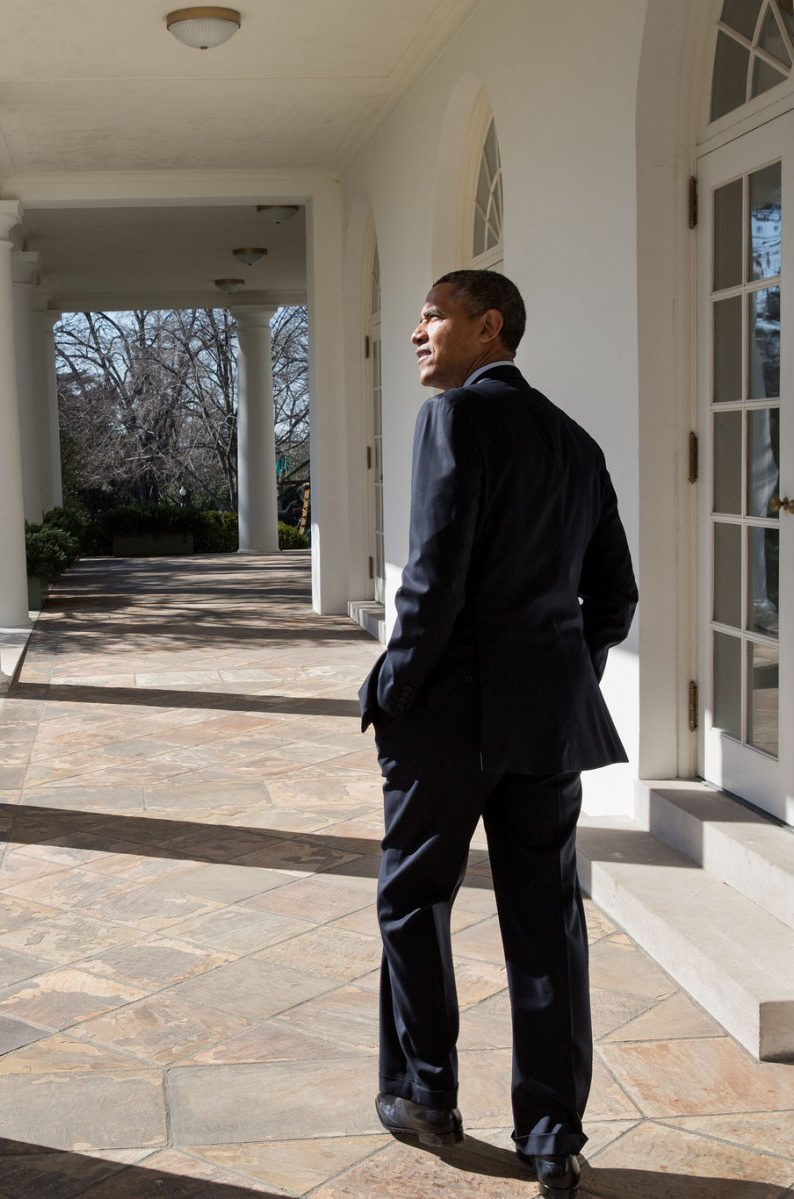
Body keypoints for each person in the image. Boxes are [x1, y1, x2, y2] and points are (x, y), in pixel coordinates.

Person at [357, 270, 637, 1198]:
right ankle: (553, 1135)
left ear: (490, 326)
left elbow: (431, 584)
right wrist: (560, 677)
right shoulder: (578, 444)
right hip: (545, 725)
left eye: (433, 317)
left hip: (449, 721)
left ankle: (427, 1096)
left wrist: (393, 688)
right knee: (545, 921)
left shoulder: (454, 422)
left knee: (412, 899)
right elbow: (615, 598)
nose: (417, 334)